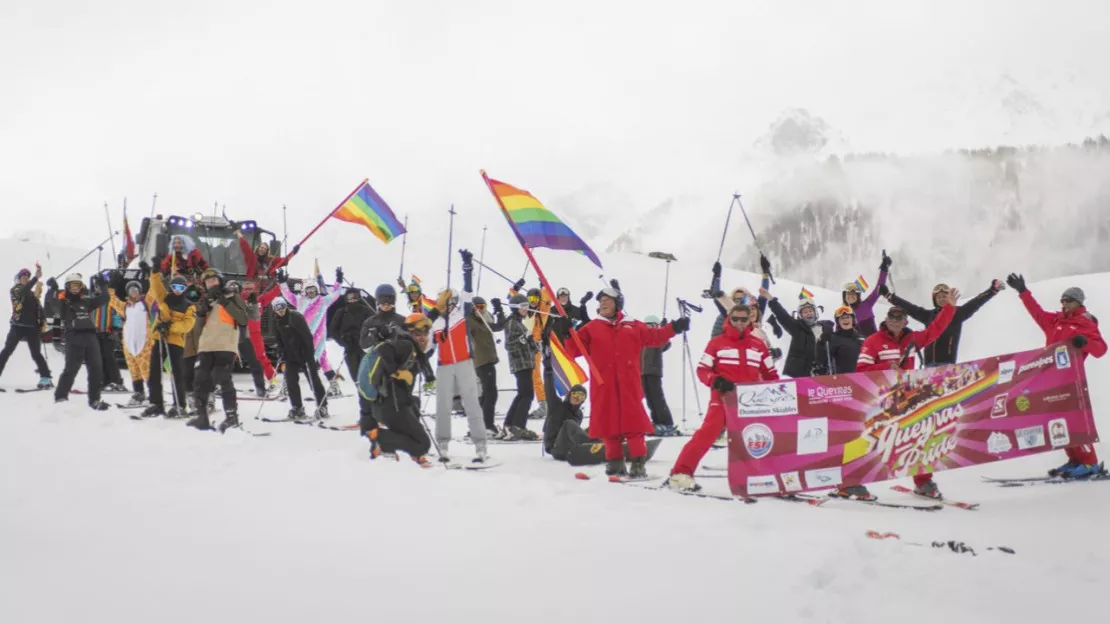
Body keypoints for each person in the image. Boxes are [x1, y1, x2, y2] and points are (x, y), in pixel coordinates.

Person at [561, 283, 688, 477]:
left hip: (629, 385)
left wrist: (674, 327)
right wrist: (566, 333)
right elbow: (572, 351)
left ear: (617, 303)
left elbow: (656, 337)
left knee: (634, 426)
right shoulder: (592, 328)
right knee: (608, 425)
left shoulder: (633, 326)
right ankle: (615, 463)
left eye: (607, 300)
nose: (602, 304)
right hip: (603, 385)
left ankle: (638, 464)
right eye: (601, 301)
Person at [849, 290, 959, 500]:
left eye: (900, 319)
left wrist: (949, 308)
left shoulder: (912, 339)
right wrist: (885, 367)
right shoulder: (873, 341)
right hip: (879, 401)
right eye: (893, 318)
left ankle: (923, 482)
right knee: (868, 440)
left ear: (906, 321)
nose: (896, 322)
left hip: (908, 397)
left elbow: (936, 329)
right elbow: (860, 369)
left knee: (922, 437)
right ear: (886, 320)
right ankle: (852, 482)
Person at [666, 304, 778, 491]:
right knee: (707, 434)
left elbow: (771, 375)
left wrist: (776, 394)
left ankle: (765, 478)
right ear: (729, 319)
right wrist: (716, 380)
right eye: (736, 319)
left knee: (756, 439)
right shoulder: (717, 343)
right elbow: (703, 370)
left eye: (744, 319)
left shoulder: (758, 346)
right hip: (723, 398)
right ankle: (680, 473)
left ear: (750, 320)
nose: (740, 323)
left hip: (749, 402)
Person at [1006, 275, 1107, 478]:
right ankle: (1074, 459)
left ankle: (1090, 463)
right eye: (1062, 300)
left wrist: (1083, 342)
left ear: (1078, 302)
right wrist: (1023, 292)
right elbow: (1036, 312)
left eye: (1068, 300)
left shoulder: (1085, 323)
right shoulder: (1055, 321)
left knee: (1074, 421)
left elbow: (1101, 349)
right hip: (1051, 381)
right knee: (1059, 422)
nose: (1064, 304)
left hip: (1071, 380)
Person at [426, 250, 489, 464]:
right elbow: (428, 348)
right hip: (444, 367)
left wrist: (467, 267)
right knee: (442, 405)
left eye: (450, 301)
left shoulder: (461, 313)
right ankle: (442, 445)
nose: (448, 306)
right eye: (443, 302)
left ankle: (480, 446)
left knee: (471, 404)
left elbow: (468, 291)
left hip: (464, 363)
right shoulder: (435, 322)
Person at [364, 315, 433, 466]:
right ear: (409, 332)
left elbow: (422, 359)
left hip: (391, 404)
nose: (422, 337)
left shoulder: (413, 347)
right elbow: (384, 348)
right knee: (424, 445)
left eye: (425, 333)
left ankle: (408, 444)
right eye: (417, 333)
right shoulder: (406, 345)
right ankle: (380, 438)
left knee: (415, 402)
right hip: (392, 407)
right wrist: (398, 373)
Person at [881, 280, 1003, 366]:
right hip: (928, 366)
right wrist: (890, 297)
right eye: (938, 297)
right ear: (934, 300)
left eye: (944, 296)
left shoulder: (957, 313)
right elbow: (910, 308)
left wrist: (992, 290)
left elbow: (976, 302)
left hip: (947, 365)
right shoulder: (928, 316)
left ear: (950, 297)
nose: (941, 298)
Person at [186, 269, 249, 432]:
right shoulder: (206, 301)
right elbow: (198, 328)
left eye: (214, 280)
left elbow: (243, 319)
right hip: (206, 345)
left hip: (226, 344)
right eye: (208, 282)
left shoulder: (232, 296)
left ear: (220, 281)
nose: (211, 284)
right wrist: (201, 312)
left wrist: (223, 301)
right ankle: (202, 416)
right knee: (199, 379)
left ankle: (231, 417)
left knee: (221, 377)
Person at [46, 273, 110, 410]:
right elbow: (50, 302)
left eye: (77, 285)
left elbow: (105, 298)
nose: (75, 288)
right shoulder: (63, 303)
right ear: (67, 287)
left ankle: (94, 400)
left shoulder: (86, 301)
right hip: (74, 337)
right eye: (72, 286)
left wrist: (103, 285)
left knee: (96, 369)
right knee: (71, 369)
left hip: (91, 338)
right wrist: (52, 289)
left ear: (81, 287)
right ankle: (61, 396)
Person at [278, 271, 345, 396]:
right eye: (308, 290)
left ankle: (333, 386)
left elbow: (336, 294)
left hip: (317, 337)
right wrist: (282, 283)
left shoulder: (324, 301)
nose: (311, 292)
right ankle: (287, 386)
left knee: (321, 359)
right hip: (300, 336)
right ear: (304, 290)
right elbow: (287, 294)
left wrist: (339, 281)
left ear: (317, 289)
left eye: (313, 289)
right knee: (293, 360)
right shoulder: (300, 301)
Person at [357, 283, 409, 436]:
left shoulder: (401, 320)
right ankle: (368, 421)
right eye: (382, 301)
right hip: (375, 363)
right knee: (368, 389)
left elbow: (408, 343)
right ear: (377, 302)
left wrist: (397, 335)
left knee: (395, 394)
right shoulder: (371, 322)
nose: (386, 305)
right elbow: (364, 346)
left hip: (395, 363)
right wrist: (375, 336)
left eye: (389, 301)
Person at [143, 272, 195, 418]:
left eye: (181, 287)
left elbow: (187, 325)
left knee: (176, 373)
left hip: (175, 342)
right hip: (159, 338)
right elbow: (155, 285)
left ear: (185, 289)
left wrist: (170, 326)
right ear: (171, 287)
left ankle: (179, 404)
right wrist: (154, 272)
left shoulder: (189, 306)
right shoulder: (164, 298)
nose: (177, 290)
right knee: (154, 371)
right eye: (175, 286)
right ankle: (156, 404)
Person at [270, 296, 328, 421]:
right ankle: (297, 408)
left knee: (313, 380)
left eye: (282, 307)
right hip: (291, 356)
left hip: (305, 354)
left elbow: (307, 336)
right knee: (290, 380)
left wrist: (309, 354)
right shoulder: (276, 320)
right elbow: (279, 339)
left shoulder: (296, 317)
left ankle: (322, 406)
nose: (280, 310)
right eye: (277, 308)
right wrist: (281, 352)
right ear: (274, 310)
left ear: (286, 306)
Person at [0, 265, 52, 388]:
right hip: (17, 326)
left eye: (27, 277)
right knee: (7, 351)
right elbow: (23, 292)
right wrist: (35, 278)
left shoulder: (32, 294)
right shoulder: (15, 290)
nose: (26, 279)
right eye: (23, 277)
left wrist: (42, 323)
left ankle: (46, 378)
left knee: (36, 354)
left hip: (32, 328)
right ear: (19, 279)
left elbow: (39, 309)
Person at [764, 288, 835, 378]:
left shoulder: (824, 329)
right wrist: (771, 300)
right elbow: (783, 316)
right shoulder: (797, 328)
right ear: (800, 315)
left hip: (821, 376)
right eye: (805, 312)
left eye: (810, 311)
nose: (808, 313)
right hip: (799, 376)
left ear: (815, 312)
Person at [467, 292, 507, 436]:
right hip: (481, 361)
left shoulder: (485, 319)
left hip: (488, 359)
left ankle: (479, 424)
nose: (480, 310)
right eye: (477, 307)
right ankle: (487, 425)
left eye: (483, 307)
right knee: (491, 393)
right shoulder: (470, 321)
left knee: (487, 393)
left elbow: (499, 326)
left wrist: (499, 310)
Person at [502, 292, 538, 439]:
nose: (525, 309)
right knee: (528, 394)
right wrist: (525, 340)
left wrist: (533, 344)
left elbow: (525, 342)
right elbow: (509, 344)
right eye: (522, 306)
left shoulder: (517, 322)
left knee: (523, 394)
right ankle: (518, 426)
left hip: (525, 363)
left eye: (527, 306)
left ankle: (510, 424)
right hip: (520, 363)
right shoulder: (512, 323)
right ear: (515, 307)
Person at [90, 275, 127, 394]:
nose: (99, 289)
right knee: (98, 359)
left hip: (108, 333)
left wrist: (116, 329)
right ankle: (103, 381)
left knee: (109, 357)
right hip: (95, 334)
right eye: (97, 287)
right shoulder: (92, 300)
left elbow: (116, 315)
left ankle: (116, 381)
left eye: (101, 287)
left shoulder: (110, 300)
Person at [640, 315, 677, 436]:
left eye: (652, 324)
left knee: (657, 397)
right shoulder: (641, 338)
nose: (649, 327)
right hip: (642, 372)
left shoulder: (656, 339)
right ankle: (657, 422)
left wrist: (664, 330)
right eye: (647, 324)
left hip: (653, 372)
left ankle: (667, 423)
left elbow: (665, 344)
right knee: (649, 398)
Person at [842, 252, 892, 336]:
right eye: (848, 294)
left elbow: (879, 287)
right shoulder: (842, 313)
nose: (851, 296)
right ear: (844, 296)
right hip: (858, 347)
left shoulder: (866, 304)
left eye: (853, 294)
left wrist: (884, 269)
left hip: (875, 344)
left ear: (858, 296)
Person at [542, 384, 588, 457]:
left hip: (570, 447)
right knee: (569, 423)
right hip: (556, 447)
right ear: (570, 395)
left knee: (593, 428)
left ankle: (601, 447)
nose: (577, 398)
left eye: (581, 396)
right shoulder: (557, 406)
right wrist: (548, 373)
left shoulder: (579, 414)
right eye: (575, 394)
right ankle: (590, 444)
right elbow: (549, 390)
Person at [818, 306, 865, 374]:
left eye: (848, 317)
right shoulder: (833, 338)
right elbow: (822, 359)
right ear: (838, 322)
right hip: (844, 380)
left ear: (853, 319)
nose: (845, 320)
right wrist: (822, 342)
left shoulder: (863, 338)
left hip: (864, 378)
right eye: (842, 318)